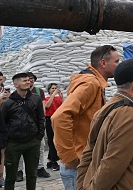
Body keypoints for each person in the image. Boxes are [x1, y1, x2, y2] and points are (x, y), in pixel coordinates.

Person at [77, 59, 133, 190]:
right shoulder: (128, 115)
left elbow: (87, 154)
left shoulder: (108, 107)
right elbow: (111, 166)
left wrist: (81, 187)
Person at [51, 45, 120, 190]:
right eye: (116, 61)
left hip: (84, 159)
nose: (119, 65)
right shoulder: (90, 83)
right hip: (78, 164)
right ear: (103, 63)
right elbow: (59, 117)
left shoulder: (95, 83)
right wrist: (69, 157)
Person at [0, 73, 45, 190]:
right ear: (16, 84)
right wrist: (6, 142)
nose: (28, 82)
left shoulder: (36, 99)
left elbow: (41, 118)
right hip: (13, 144)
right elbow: (2, 125)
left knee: (32, 175)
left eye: (29, 80)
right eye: (24, 81)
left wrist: (39, 137)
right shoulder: (7, 103)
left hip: (32, 142)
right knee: (11, 176)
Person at [22, 72, 49, 180]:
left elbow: (42, 107)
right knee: (21, 148)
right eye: (27, 78)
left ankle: (40, 168)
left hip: (37, 122)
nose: (30, 80)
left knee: (40, 146)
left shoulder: (39, 91)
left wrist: (41, 121)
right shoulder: (19, 91)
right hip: (23, 124)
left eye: (31, 78)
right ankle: (19, 171)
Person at [43, 83, 63, 171]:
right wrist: (53, 95)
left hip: (58, 119)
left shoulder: (58, 98)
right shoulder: (47, 98)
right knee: (51, 140)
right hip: (49, 119)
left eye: (55, 88)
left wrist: (61, 97)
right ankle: (54, 160)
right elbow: (47, 105)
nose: (54, 89)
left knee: (57, 139)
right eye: (52, 88)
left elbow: (64, 106)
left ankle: (50, 160)